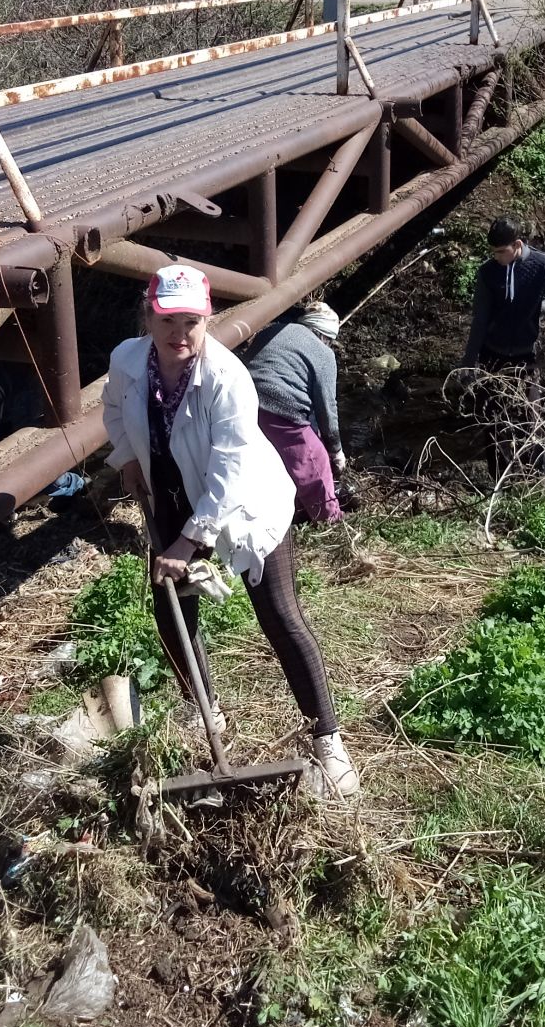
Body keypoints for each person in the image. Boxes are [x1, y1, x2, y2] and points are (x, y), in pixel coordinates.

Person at [102, 263, 359, 797]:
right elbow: (112, 409)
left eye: (192, 321)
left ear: (208, 317)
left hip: (246, 504)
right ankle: (204, 710)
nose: (181, 334)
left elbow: (229, 473)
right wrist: (127, 459)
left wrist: (187, 542)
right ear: (149, 318)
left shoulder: (225, 378)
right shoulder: (127, 361)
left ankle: (327, 742)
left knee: (280, 616)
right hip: (172, 495)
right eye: (169, 321)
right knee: (171, 609)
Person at [457, 217, 545, 473]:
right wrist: (468, 363)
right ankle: (497, 486)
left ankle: (527, 483)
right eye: (493, 252)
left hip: (526, 361)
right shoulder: (488, 273)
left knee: (529, 423)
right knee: (493, 425)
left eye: (501, 252)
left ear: (517, 244)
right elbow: (480, 321)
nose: (497, 257)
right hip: (492, 360)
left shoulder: (542, 266)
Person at [243, 301, 346, 526]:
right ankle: (330, 520)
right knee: (313, 459)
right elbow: (327, 407)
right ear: (324, 336)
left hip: (242, 400)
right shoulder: (323, 353)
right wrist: (335, 450)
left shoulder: (272, 330)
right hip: (280, 407)